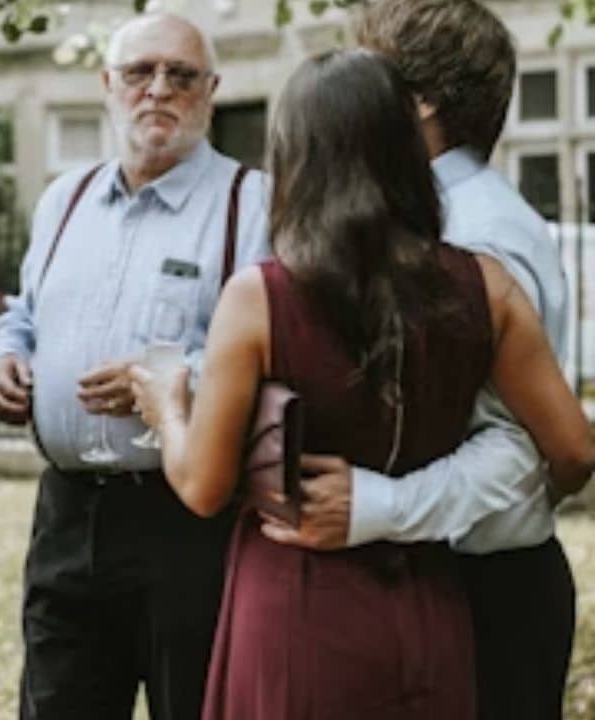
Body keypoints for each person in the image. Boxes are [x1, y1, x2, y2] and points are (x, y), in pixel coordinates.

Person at [130, 48, 595, 719]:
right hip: (431, 602)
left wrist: (168, 405)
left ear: (292, 156)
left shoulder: (260, 297)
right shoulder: (488, 285)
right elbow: (574, 450)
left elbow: (202, 487)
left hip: (296, 602)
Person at [260, 2, 585, 717]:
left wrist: (380, 505)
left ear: (423, 98)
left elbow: (534, 444)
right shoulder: (425, 216)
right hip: (440, 572)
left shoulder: (476, 234)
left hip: (484, 586)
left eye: (366, 68)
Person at [0, 13, 268, 719]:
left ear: (212, 90)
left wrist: (172, 382)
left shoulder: (250, 202)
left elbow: (274, 348)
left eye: (181, 75)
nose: (158, 90)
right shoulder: (64, 199)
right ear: (108, 85)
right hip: (67, 516)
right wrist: (1, 355)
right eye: (139, 73)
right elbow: (26, 310)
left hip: (189, 518)